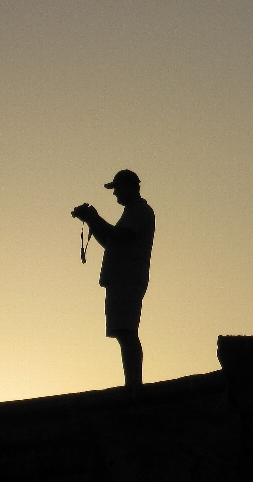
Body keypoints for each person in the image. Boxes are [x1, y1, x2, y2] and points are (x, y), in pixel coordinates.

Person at [72, 169, 155, 396]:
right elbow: (111, 242)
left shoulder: (141, 211)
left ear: (130, 187)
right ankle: (132, 384)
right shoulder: (132, 212)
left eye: (117, 188)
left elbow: (120, 237)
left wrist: (94, 218)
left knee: (127, 331)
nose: (115, 193)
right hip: (120, 278)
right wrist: (91, 221)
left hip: (128, 278)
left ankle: (134, 386)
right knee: (122, 331)